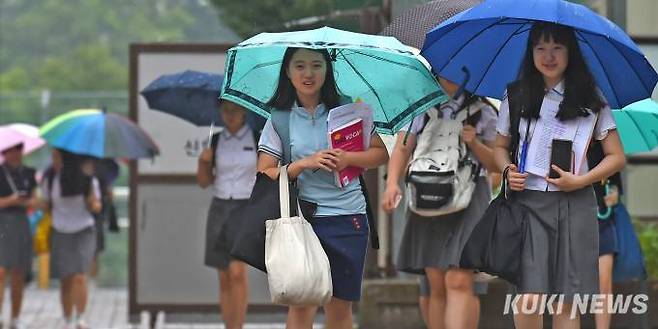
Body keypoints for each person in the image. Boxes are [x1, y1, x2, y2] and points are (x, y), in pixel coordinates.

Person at [493, 22, 625, 329]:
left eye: (556, 48)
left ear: (570, 52)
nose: (548, 56)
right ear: (531, 53)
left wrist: (581, 180)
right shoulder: (515, 95)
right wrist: (507, 169)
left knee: (567, 300)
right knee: (529, 297)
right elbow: (500, 147)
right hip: (528, 202)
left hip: (575, 202)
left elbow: (616, 157)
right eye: (540, 48)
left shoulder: (592, 98)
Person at [257, 47, 388, 329]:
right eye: (300, 66)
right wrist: (303, 164)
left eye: (316, 65)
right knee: (302, 305)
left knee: (340, 308)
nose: (308, 73)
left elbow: (380, 154)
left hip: (348, 218)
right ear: (288, 72)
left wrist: (349, 158)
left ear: (327, 70)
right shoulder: (279, 119)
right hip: (303, 222)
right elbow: (265, 173)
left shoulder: (349, 110)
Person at [381, 77, 499, 329]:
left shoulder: (484, 111)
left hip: (470, 197)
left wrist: (474, 143)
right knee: (435, 283)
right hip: (426, 198)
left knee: (459, 279)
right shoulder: (419, 107)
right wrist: (391, 184)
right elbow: (402, 149)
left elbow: (496, 164)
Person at [197, 101, 256, 329]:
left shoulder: (256, 137)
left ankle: (238, 326)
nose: (230, 115)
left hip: (245, 208)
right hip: (220, 206)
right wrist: (203, 162)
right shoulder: (215, 140)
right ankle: (228, 325)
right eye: (225, 110)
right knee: (223, 275)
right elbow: (203, 182)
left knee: (238, 272)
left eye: (235, 110)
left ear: (244, 111)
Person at [42, 149, 102, 329]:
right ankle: (67, 318)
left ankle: (81, 317)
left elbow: (97, 206)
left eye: (57, 157)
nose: (54, 161)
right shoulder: (51, 179)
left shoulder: (88, 179)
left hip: (83, 229)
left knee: (79, 275)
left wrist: (92, 200)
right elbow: (46, 204)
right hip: (60, 230)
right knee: (65, 277)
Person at [0, 143, 38, 329]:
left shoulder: (29, 173)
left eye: (18, 150)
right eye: (11, 151)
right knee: (0, 272)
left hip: (21, 222)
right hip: (2, 222)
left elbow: (35, 201)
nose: (15, 155)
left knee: (18, 272)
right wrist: (10, 201)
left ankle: (15, 317)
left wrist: (28, 202)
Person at [589, 140, 623, 329]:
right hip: (572, 219)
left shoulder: (607, 147)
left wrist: (614, 196)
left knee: (604, 282)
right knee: (568, 285)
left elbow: (616, 186)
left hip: (602, 219)